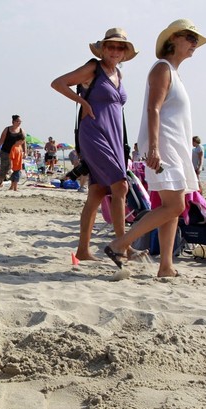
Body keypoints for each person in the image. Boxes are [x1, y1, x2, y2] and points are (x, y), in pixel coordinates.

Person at [104, 19, 206, 278]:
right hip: (165, 146)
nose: (194, 44)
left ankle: (165, 266)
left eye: (196, 40)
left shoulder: (174, 72)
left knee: (172, 206)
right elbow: (154, 108)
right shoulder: (162, 69)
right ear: (173, 39)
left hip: (176, 147)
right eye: (190, 38)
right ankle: (120, 244)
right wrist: (153, 148)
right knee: (174, 207)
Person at [51, 27, 138, 261]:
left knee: (98, 192)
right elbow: (58, 83)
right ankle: (123, 246)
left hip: (115, 138)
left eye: (120, 47)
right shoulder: (93, 68)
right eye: (111, 46)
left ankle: (83, 250)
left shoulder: (118, 74)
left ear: (124, 52)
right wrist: (82, 102)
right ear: (103, 48)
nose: (115, 50)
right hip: (94, 134)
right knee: (120, 186)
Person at [0, 115, 26, 188]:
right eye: (17, 121)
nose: (19, 123)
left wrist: (25, 152)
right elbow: (1, 139)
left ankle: (13, 185)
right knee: (4, 167)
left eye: (20, 121)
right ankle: (1, 182)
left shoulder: (21, 131)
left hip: (16, 152)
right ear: (13, 121)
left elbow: (24, 142)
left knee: (14, 168)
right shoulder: (7, 129)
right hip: (5, 151)